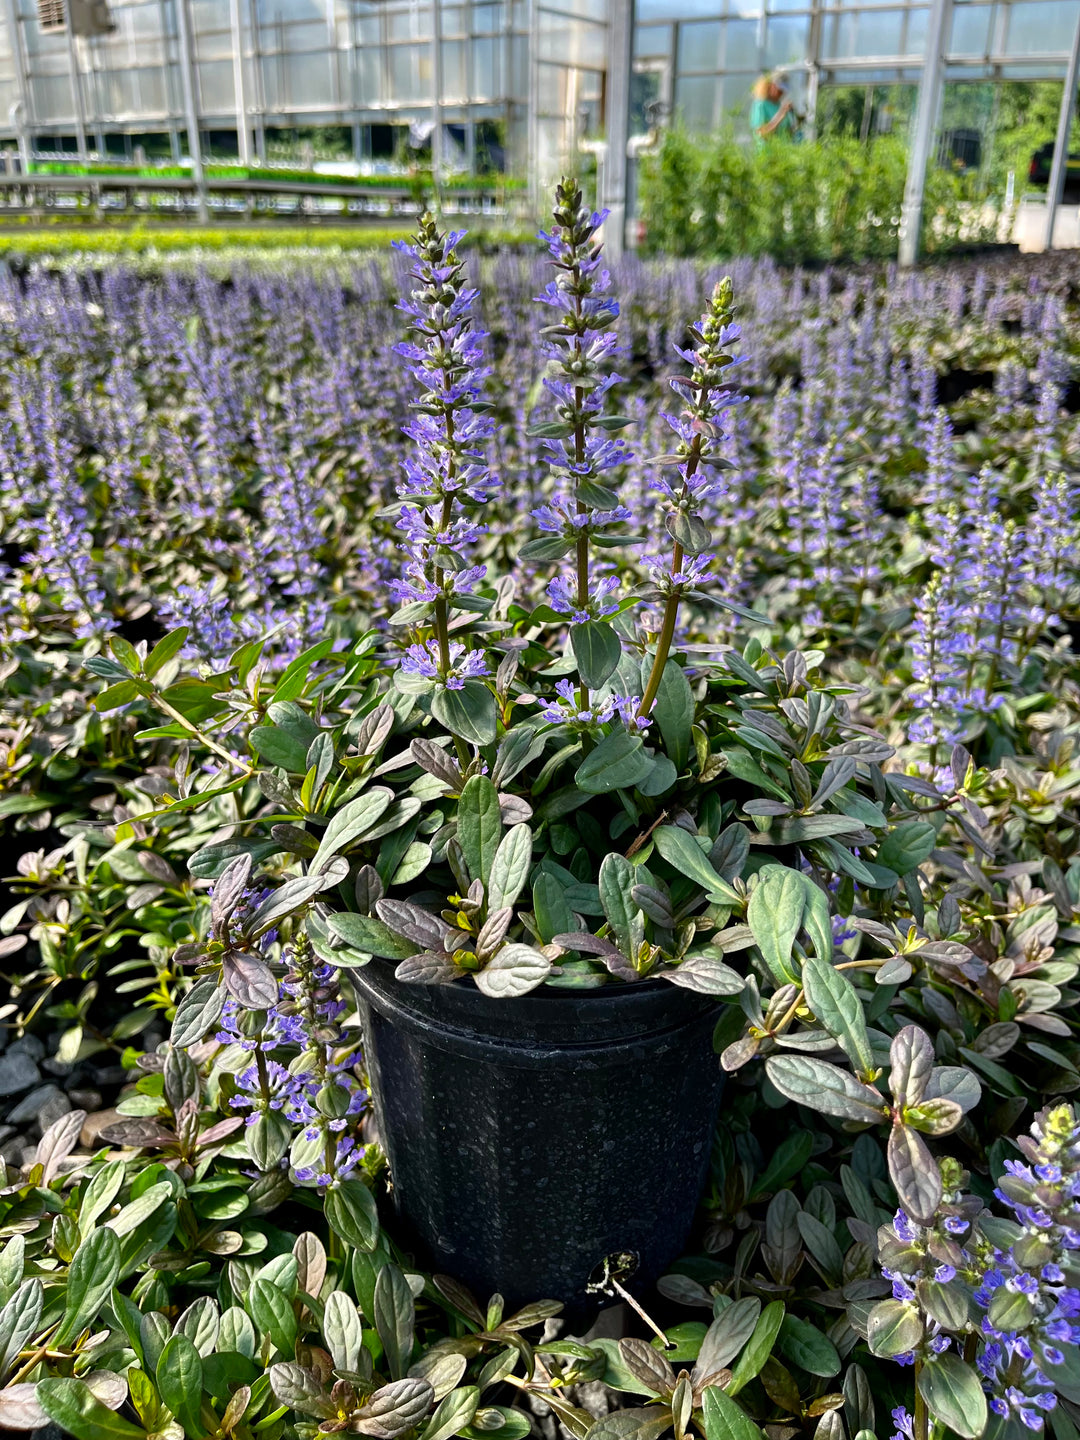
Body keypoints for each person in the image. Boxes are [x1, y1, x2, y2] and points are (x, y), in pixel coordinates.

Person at [750, 73, 796, 142]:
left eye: (783, 91)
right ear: (771, 86)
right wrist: (781, 114)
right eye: (779, 90)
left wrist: (794, 118)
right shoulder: (760, 104)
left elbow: (788, 132)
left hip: (783, 150)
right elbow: (761, 133)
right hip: (766, 151)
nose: (782, 93)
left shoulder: (779, 105)